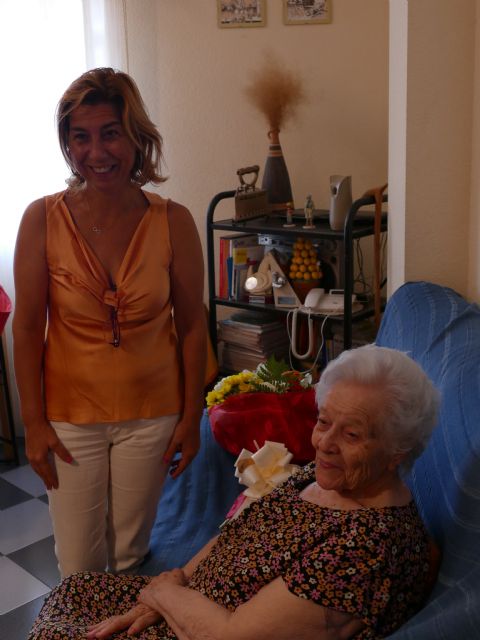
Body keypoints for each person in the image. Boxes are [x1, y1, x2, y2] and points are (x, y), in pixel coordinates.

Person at [28, 344, 441, 640]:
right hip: (186, 602)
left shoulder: (366, 547)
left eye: (351, 434)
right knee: (75, 589)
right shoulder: (322, 476)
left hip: (207, 625)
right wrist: (173, 584)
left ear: (397, 451)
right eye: (323, 422)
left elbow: (234, 635)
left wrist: (166, 594)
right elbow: (236, 536)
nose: (325, 443)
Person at [12, 67, 207, 577]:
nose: (96, 152)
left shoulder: (174, 221)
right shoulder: (41, 219)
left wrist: (192, 418)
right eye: (81, 137)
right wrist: (33, 424)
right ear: (67, 144)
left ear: (136, 137)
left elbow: (193, 325)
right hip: (69, 417)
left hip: (153, 414)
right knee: (80, 564)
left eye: (111, 133)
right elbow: (27, 327)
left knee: (128, 557)